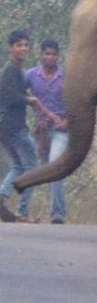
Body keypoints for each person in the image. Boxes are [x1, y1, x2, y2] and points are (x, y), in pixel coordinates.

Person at [0, 29, 42, 223]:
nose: (23, 48)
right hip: (13, 126)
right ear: (11, 48)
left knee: (18, 166)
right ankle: (23, 211)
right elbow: (10, 97)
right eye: (19, 45)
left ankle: (2, 197)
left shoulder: (16, 69)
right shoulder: (11, 70)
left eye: (26, 45)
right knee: (32, 168)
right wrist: (29, 100)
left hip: (6, 126)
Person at [25, 39, 69, 224]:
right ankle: (20, 210)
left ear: (58, 56)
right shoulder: (30, 75)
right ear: (41, 55)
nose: (50, 57)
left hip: (61, 130)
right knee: (26, 164)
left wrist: (68, 122)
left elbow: (79, 100)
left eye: (53, 54)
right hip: (40, 129)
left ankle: (58, 213)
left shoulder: (66, 75)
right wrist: (31, 101)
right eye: (46, 54)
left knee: (54, 165)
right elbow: (13, 91)